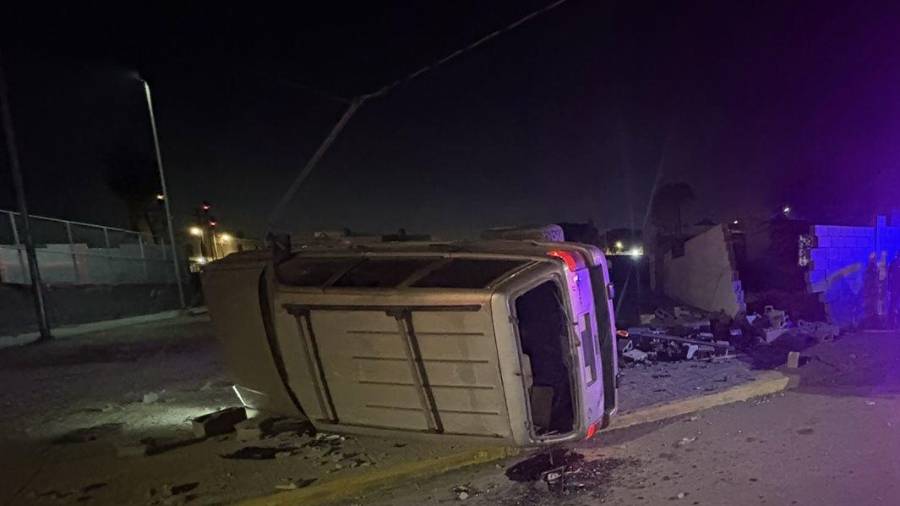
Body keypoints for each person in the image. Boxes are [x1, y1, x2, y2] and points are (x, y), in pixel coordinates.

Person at [889, 252, 900, 327]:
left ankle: (891, 323)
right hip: (896, 287)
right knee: (894, 304)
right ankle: (896, 322)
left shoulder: (893, 262)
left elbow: (889, 275)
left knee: (893, 304)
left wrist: (889, 287)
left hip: (894, 287)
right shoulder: (894, 263)